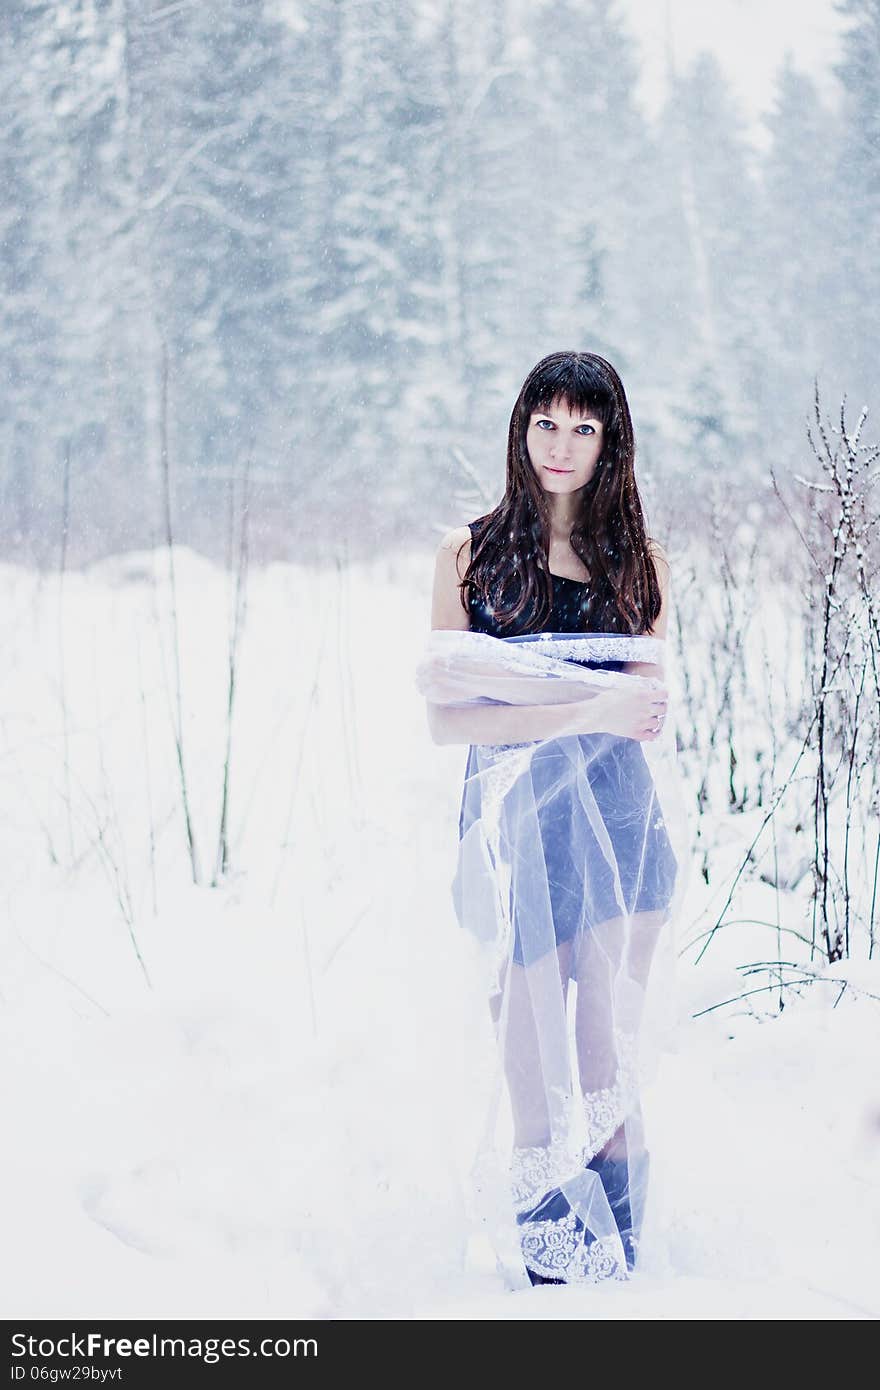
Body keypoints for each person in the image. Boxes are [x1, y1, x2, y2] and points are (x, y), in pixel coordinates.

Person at [420, 350, 688, 1287]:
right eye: (546, 423)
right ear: (519, 428)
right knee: (529, 1059)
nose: (561, 446)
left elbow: (644, 718)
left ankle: (617, 1280)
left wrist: (529, 696)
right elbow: (445, 715)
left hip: (619, 822)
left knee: (605, 1053)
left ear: (611, 440)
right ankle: (549, 1277)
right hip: (509, 828)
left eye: (584, 426)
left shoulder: (639, 561)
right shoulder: (470, 553)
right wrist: (585, 706)